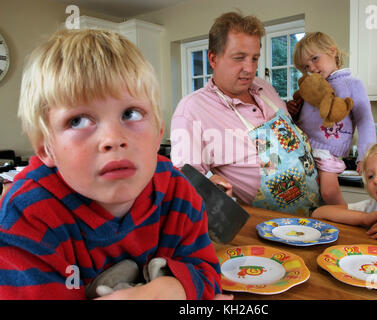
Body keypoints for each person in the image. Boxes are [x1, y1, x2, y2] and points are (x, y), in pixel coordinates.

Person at [0, 29, 226, 300]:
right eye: (78, 121)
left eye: (130, 113)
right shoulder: (26, 215)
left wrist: (167, 290)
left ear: (158, 134)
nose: (113, 139)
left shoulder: (178, 193)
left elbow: (208, 275)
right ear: (47, 149)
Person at [171, 11, 321, 216]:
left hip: (316, 213)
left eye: (254, 58)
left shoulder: (265, 87)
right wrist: (208, 185)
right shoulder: (192, 109)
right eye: (239, 58)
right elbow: (183, 180)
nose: (249, 69)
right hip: (264, 227)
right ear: (213, 59)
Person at [289, 32, 376, 205]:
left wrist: (365, 155)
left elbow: (365, 120)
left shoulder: (352, 84)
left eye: (314, 59)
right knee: (306, 192)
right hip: (302, 146)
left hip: (327, 150)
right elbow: (307, 117)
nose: (311, 68)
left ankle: (346, 221)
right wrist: (292, 110)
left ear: (332, 51)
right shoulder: (312, 87)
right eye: (306, 67)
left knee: (329, 193)